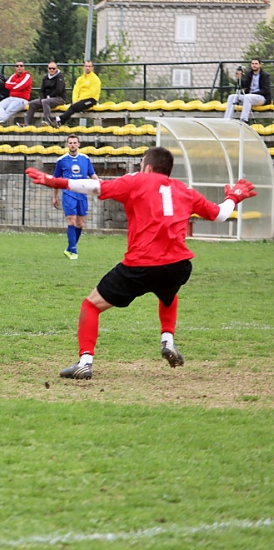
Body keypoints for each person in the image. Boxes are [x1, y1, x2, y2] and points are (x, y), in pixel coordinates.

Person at [26, 147, 256, 380]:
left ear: (147, 167)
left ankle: (85, 362)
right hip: (178, 265)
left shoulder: (137, 181)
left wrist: (55, 181)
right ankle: (167, 340)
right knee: (168, 292)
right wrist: (234, 196)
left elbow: (96, 187)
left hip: (140, 265)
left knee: (91, 306)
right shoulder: (184, 190)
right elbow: (219, 214)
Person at [52, 135, 98, 260]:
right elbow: (56, 180)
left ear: (79, 144)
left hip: (82, 193)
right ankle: (73, 251)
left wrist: (101, 185)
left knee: (80, 223)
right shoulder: (61, 160)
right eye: (70, 143)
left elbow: (92, 175)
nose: (72, 145)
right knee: (71, 220)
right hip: (68, 193)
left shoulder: (85, 159)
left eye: (74, 142)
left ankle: (69, 248)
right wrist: (55, 196)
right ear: (67, 144)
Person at [57, 60, 102, 126]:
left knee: (73, 107)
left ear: (92, 68)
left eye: (89, 66)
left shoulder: (95, 79)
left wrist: (79, 100)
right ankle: (60, 122)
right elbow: (76, 90)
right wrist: (75, 100)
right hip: (81, 100)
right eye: (86, 66)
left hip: (91, 100)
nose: (87, 68)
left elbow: (92, 93)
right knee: (73, 106)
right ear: (84, 67)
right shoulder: (80, 79)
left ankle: (59, 119)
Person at [0, 61, 32, 126]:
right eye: (17, 66)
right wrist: (16, 84)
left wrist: (13, 86)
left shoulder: (27, 76)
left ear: (24, 67)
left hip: (21, 99)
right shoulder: (13, 75)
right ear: (15, 68)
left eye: (21, 66)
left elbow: (21, 86)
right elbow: (7, 85)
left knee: (9, 109)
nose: (19, 67)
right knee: (0, 105)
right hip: (11, 97)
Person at [24, 61, 66, 127]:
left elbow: (59, 89)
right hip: (46, 99)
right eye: (50, 68)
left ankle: (48, 121)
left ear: (56, 69)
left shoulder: (60, 77)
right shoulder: (45, 78)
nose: (51, 70)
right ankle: (27, 123)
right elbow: (41, 90)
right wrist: (42, 98)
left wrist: (49, 96)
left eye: (53, 68)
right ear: (47, 69)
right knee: (32, 103)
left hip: (59, 98)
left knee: (46, 102)